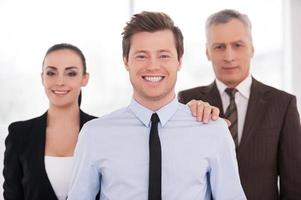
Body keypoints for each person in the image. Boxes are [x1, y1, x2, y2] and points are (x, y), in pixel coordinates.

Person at [68, 11, 246, 200]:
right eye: (142, 56)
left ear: (179, 61)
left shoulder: (213, 130)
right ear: (126, 61)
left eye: (163, 56)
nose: (153, 66)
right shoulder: (94, 135)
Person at [178, 9, 301, 200]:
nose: (229, 56)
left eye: (238, 45)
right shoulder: (188, 102)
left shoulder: (282, 104)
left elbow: (294, 185)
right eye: (219, 47)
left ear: (252, 48)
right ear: (207, 52)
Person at [3, 43, 97, 200]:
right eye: (51, 73)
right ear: (42, 78)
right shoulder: (19, 134)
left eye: (71, 73)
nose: (60, 81)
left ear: (84, 79)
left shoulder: (102, 131)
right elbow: (12, 195)